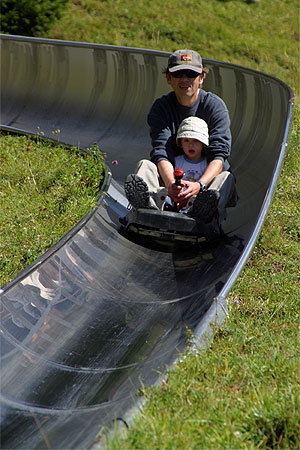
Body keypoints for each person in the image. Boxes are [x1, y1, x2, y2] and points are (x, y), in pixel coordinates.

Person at [124, 49, 237, 226]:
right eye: (178, 74)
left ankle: (203, 212)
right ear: (169, 79)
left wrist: (199, 185)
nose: (185, 80)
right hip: (171, 181)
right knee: (145, 166)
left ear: (201, 78)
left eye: (191, 74)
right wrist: (172, 186)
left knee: (226, 177)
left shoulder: (215, 107)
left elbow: (219, 155)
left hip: (203, 183)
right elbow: (161, 151)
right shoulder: (161, 108)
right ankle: (149, 208)